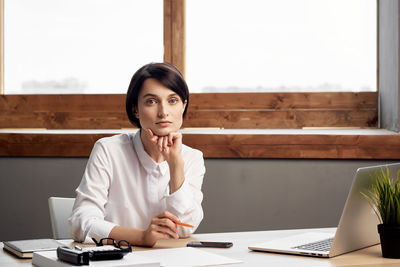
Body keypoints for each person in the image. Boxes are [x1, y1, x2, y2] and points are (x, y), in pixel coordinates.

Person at [69, 62, 206, 247]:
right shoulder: (109, 150)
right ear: (135, 109)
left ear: (183, 106)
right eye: (151, 101)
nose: (163, 112)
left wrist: (175, 165)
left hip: (171, 259)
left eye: (172, 100)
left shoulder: (191, 158)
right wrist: (142, 237)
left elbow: (186, 227)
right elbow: (81, 222)